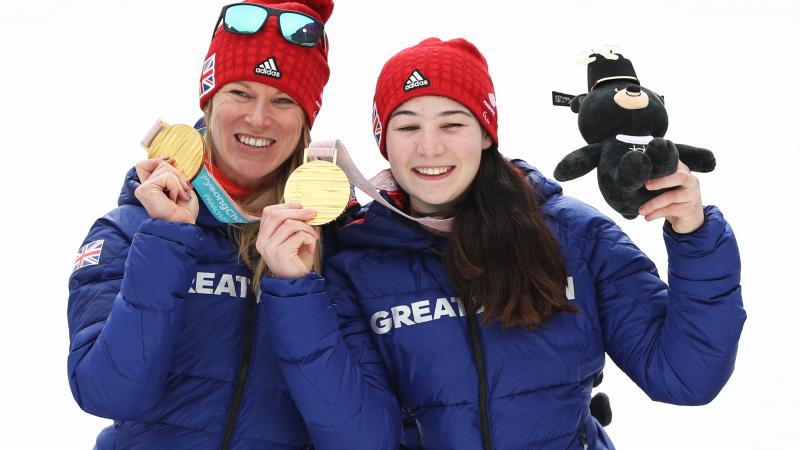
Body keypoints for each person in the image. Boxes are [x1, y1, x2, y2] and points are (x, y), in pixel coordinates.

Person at [258, 38, 746, 449]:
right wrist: (296, 290)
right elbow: (362, 437)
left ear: (486, 134)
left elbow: (684, 376)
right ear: (384, 142)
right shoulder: (357, 262)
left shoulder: (576, 236)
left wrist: (695, 239)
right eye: (407, 126)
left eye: (453, 123)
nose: (429, 147)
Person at [66, 1, 341, 448]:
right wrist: (168, 240)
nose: (258, 118)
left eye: (283, 100)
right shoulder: (130, 229)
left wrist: (296, 288)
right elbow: (109, 393)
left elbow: (358, 431)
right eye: (240, 93)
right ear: (210, 100)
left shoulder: (334, 237)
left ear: (306, 120)